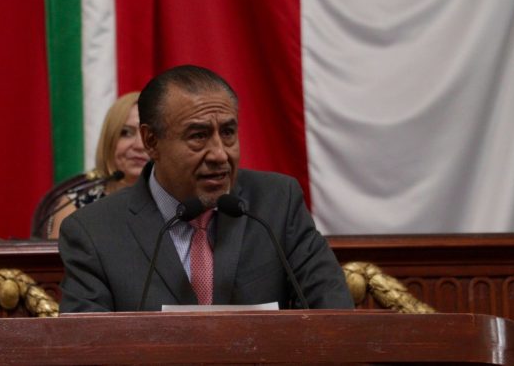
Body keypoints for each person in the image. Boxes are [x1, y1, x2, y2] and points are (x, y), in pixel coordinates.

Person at [59, 65, 354, 312]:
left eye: (227, 133)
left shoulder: (277, 202)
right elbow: (85, 349)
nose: (219, 154)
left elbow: (333, 315)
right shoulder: (93, 232)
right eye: (198, 135)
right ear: (151, 142)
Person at [48, 92, 149, 239]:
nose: (139, 145)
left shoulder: (178, 205)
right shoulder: (74, 206)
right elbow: (58, 261)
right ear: (109, 141)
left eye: (149, 135)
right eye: (126, 133)